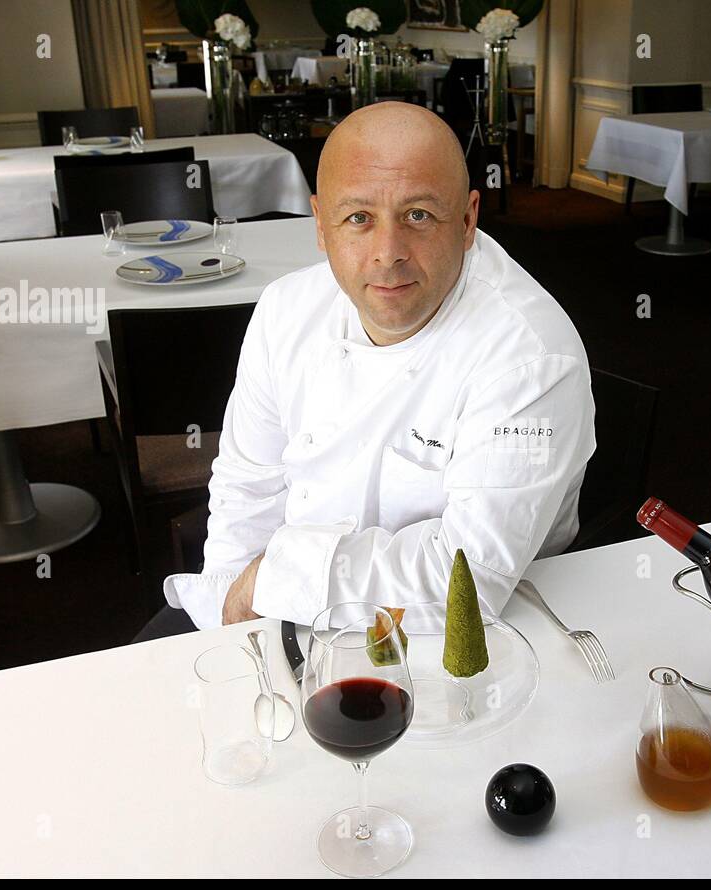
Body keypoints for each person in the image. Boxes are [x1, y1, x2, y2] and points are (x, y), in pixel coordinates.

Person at [146, 101, 595, 638]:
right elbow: (249, 486)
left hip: (473, 636)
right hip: (283, 605)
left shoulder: (531, 357)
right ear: (320, 224)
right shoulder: (285, 309)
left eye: (419, 216)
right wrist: (228, 611)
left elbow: (467, 582)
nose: (388, 253)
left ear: (470, 218)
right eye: (358, 218)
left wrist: (273, 578)